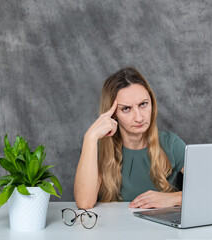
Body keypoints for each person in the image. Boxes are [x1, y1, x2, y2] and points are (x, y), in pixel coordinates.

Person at [74, 67, 185, 210]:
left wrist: (173, 198)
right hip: (115, 230)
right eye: (126, 109)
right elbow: (84, 203)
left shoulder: (171, 144)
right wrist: (90, 137)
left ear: (152, 103)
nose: (139, 117)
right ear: (113, 114)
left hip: (163, 230)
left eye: (143, 104)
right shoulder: (98, 148)